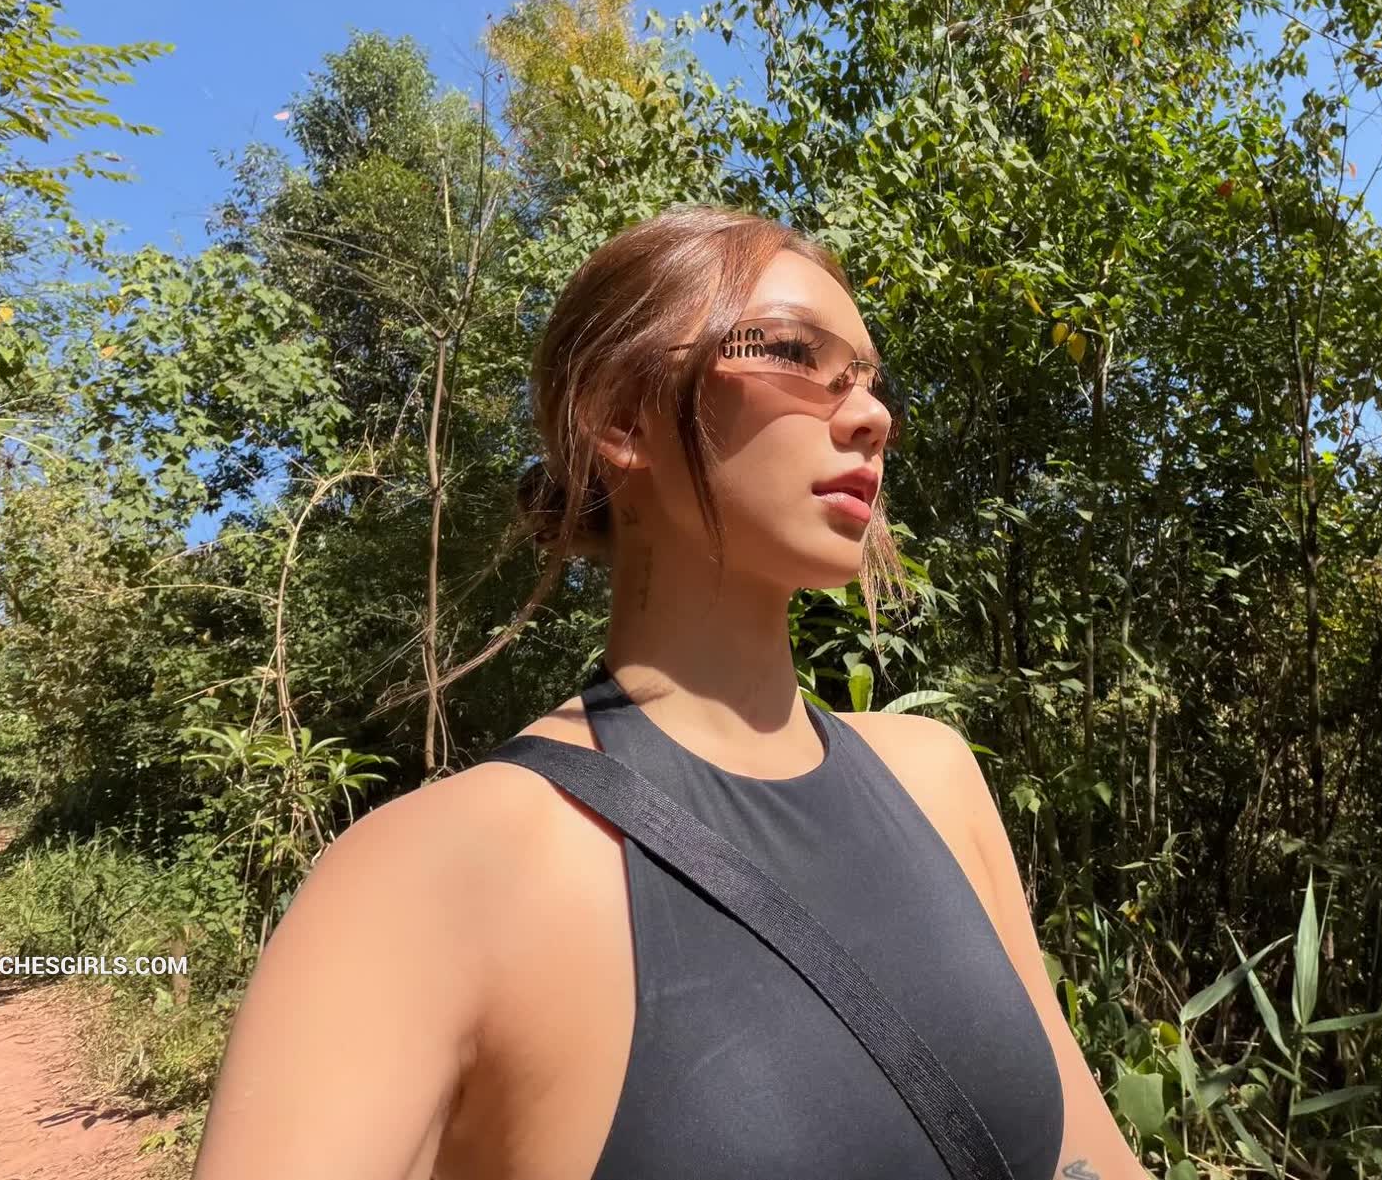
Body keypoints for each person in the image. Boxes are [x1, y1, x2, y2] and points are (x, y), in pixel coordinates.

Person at [190, 205, 1152, 1180]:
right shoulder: (432, 875)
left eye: (870, 380)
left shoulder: (935, 779)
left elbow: (1092, 1155)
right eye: (794, 353)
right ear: (620, 415)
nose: (872, 416)